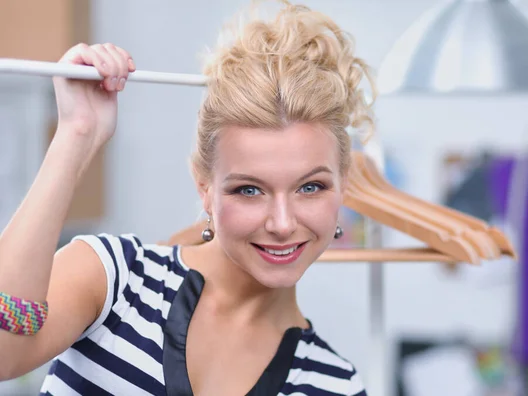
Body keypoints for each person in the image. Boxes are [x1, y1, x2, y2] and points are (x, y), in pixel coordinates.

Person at [0, 1, 376, 394]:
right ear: (205, 189)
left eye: (310, 187)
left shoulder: (335, 385)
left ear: (343, 185)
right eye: (249, 190)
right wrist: (76, 135)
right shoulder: (114, 281)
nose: (282, 223)